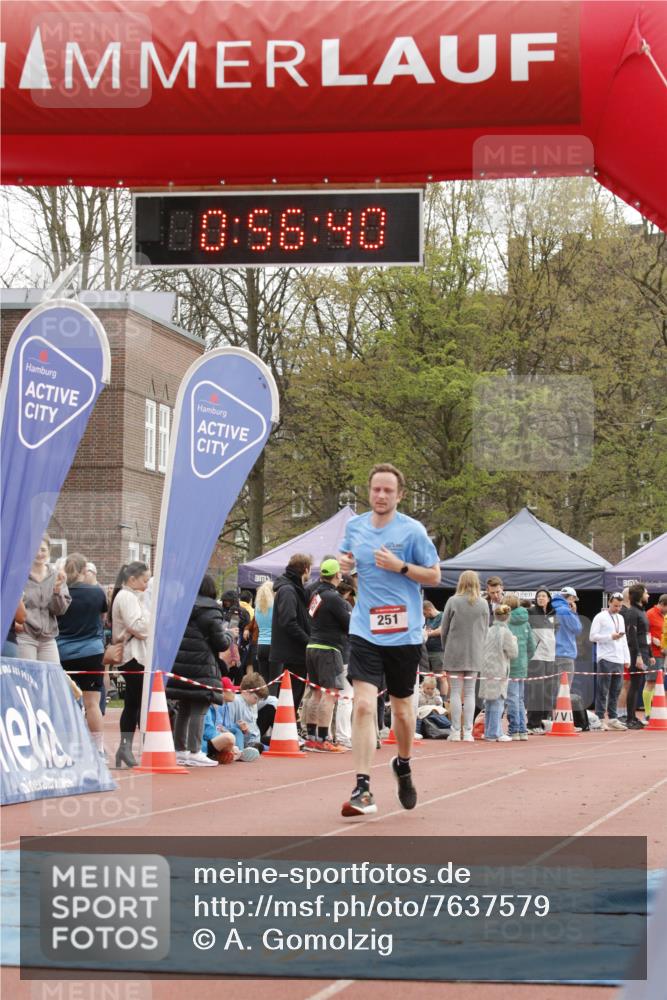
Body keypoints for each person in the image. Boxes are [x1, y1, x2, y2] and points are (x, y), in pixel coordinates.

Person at [339, 463, 441, 816]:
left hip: (405, 633)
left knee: (402, 710)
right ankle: (362, 787)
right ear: (369, 492)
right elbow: (348, 564)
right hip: (365, 629)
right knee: (364, 705)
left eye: (388, 491)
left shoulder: (412, 531)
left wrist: (400, 566)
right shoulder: (354, 527)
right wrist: (345, 568)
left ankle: (404, 762)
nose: (381, 496)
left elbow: (434, 575)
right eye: (376, 490)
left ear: (400, 495)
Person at [168, 574, 232, 767]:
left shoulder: (181, 606)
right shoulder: (212, 610)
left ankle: (180, 750)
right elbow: (220, 643)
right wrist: (229, 635)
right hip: (203, 664)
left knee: (184, 707)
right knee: (199, 708)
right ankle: (195, 750)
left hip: (180, 663)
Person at [56, 553, 109, 757]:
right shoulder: (97, 592)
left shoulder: (60, 592)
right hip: (92, 652)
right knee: (92, 703)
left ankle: (70, 748)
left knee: (67, 703)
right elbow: (103, 616)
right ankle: (98, 749)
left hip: (63, 652)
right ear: (83, 571)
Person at [303, 558, 351, 752]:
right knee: (329, 694)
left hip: (312, 646)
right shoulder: (334, 598)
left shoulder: (315, 595)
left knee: (316, 693)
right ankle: (324, 740)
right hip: (329, 649)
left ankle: (312, 737)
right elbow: (349, 625)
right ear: (337, 575)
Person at [441, 570, 489, 742]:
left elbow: (444, 629)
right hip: (475, 652)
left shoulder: (453, 601)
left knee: (455, 692)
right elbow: (485, 630)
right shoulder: (483, 604)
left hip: (454, 651)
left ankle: (455, 730)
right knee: (469, 693)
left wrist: (445, 647)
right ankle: (468, 731)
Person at [111, 561, 150, 768]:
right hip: (132, 656)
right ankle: (132, 746)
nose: (147, 584)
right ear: (132, 579)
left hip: (135, 656)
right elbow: (139, 627)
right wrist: (150, 622)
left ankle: (125, 748)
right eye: (144, 580)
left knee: (134, 703)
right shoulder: (127, 597)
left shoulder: (134, 596)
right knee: (138, 703)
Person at [17, 535, 71, 662]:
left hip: (48, 637)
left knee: (51, 676)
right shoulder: (19, 575)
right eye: (35, 549)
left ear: (49, 551)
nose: (39, 553)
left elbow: (60, 611)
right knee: (28, 677)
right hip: (25, 635)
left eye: (43, 549)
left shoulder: (56, 576)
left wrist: (57, 590)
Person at [269, 554, 312, 713]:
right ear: (306, 569)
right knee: (289, 698)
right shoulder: (288, 590)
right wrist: (308, 640)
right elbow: (288, 621)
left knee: (292, 697)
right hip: (291, 654)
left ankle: (287, 731)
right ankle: (283, 733)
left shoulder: (293, 589)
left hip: (294, 653)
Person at [589, 592, 630, 730]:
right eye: (615, 606)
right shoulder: (600, 617)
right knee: (603, 690)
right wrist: (609, 637)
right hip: (605, 657)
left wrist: (627, 658)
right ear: (609, 603)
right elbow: (592, 637)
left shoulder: (621, 618)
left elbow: (624, 639)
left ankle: (613, 718)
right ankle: (600, 718)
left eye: (619, 606)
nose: (617, 608)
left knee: (616, 690)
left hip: (618, 658)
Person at [479, 604, 517, 742]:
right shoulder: (506, 632)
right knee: (498, 701)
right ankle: (494, 733)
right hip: (499, 668)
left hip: (487, 667)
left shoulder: (489, 630)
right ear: (508, 617)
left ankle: (489, 730)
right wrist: (514, 640)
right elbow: (513, 653)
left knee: (489, 701)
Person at [201, 677, 260, 763]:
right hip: (204, 744)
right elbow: (209, 732)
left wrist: (238, 726)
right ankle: (236, 753)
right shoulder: (208, 706)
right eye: (231, 691)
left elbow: (224, 726)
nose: (234, 693)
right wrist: (229, 743)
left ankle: (231, 754)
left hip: (214, 738)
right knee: (229, 737)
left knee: (235, 731)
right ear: (223, 692)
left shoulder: (223, 705)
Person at [505, 594, 537, 740]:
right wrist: (525, 659)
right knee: (519, 699)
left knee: (512, 698)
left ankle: (514, 730)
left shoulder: (505, 622)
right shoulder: (526, 622)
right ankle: (522, 730)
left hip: (509, 664)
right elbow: (532, 645)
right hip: (522, 664)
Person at [623, 583, 653, 729]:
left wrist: (651, 654)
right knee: (634, 686)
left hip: (644, 653)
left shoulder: (642, 612)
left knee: (639, 685)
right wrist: (639, 656)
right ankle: (630, 718)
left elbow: (646, 635)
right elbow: (632, 636)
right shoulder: (632, 612)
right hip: (636, 653)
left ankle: (633, 717)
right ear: (640, 595)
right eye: (646, 593)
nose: (648, 595)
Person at [526, 588, 557, 733]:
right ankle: (533, 723)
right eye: (539, 596)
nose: (541, 598)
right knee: (536, 691)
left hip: (550, 656)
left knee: (547, 690)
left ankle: (545, 720)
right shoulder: (531, 612)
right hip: (536, 657)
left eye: (544, 596)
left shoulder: (553, 613)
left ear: (549, 599)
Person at [334, 575, 357, 749]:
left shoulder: (322, 599)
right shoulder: (345, 605)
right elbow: (352, 629)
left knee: (325, 695)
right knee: (346, 696)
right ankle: (343, 735)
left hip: (325, 651)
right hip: (343, 653)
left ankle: (323, 734)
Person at [550, 587, 582, 687]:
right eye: (574, 600)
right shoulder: (565, 611)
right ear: (571, 598)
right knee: (564, 689)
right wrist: (574, 612)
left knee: (552, 689)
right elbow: (577, 629)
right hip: (565, 653)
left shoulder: (550, 609)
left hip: (551, 653)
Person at [646, 594, 667, 719]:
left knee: (658, 683)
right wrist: (653, 640)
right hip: (654, 654)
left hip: (663, 654)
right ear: (663, 604)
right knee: (651, 682)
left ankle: (654, 711)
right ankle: (648, 713)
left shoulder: (664, 616)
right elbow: (644, 632)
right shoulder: (650, 614)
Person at [423, 600, 447, 698]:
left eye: (424, 613)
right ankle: (428, 699)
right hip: (427, 651)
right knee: (428, 678)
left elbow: (442, 630)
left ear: (429, 609)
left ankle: (443, 701)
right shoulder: (428, 619)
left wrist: (428, 633)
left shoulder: (443, 616)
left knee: (441, 677)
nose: (424, 616)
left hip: (438, 651)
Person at [253, 581, 275, 682]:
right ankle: (272, 698)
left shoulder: (257, 609)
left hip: (261, 645)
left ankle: (264, 698)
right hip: (274, 646)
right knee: (274, 680)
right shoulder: (275, 607)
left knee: (264, 680)